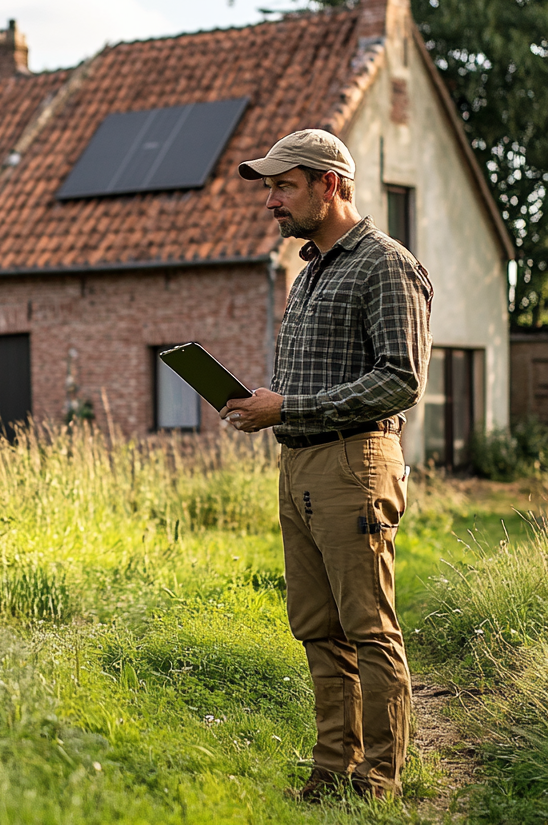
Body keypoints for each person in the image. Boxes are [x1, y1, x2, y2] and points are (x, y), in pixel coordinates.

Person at [220, 130, 432, 802]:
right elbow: (313, 382)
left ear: (328, 185)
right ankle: (333, 771)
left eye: (282, 187)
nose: (271, 202)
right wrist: (267, 405)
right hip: (302, 466)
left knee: (368, 629)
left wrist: (288, 408)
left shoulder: (385, 266)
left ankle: (378, 784)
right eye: (268, 189)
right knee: (319, 628)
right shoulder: (311, 269)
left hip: (356, 463)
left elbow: (401, 380)